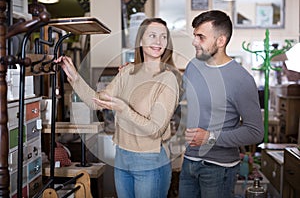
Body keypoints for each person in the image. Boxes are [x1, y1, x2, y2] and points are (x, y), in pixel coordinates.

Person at [55, 18, 182, 198]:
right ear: (140, 40)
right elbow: (96, 101)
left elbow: (156, 129)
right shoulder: (127, 72)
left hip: (150, 160)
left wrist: (123, 109)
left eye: (163, 37)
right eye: (152, 35)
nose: (158, 42)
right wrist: (74, 76)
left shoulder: (167, 79)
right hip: (122, 157)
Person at [178, 10, 264, 198]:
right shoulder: (193, 67)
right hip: (189, 162)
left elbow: (256, 132)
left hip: (219, 169)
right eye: (195, 36)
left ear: (220, 41)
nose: (194, 42)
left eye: (201, 37)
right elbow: (179, 100)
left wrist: (210, 138)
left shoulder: (241, 79)